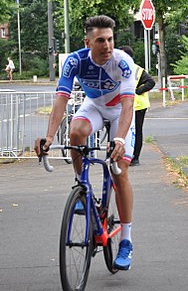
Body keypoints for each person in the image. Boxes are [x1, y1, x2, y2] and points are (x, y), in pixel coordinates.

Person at [35, 15, 135, 270]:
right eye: (101, 40)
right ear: (88, 42)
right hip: (94, 106)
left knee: (120, 172)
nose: (107, 46)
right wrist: (48, 137)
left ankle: (126, 240)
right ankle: (83, 186)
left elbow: (128, 105)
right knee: (76, 131)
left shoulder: (122, 62)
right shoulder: (74, 61)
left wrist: (119, 139)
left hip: (118, 113)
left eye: (110, 39)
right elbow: (60, 101)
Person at [119, 45, 155, 166]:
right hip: (125, 105)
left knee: (137, 130)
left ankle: (135, 157)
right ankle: (125, 154)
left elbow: (151, 82)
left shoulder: (137, 69)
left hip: (138, 105)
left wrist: (138, 91)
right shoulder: (118, 69)